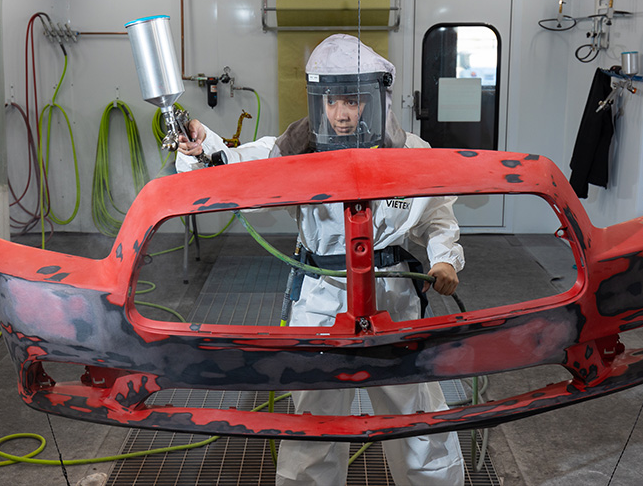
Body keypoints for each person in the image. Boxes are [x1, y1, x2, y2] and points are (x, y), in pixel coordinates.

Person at [176, 34, 466, 486]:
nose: (342, 114)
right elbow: (236, 168)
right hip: (321, 298)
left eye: (353, 101)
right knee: (314, 418)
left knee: (415, 413)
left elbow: (438, 215)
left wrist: (444, 260)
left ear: (376, 98)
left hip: (391, 292)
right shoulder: (295, 152)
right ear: (318, 100)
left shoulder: (410, 154)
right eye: (332, 102)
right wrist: (203, 147)